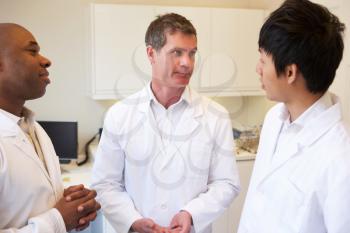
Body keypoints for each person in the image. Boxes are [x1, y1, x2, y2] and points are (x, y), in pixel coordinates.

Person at [92, 13, 240, 233]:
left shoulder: (215, 115)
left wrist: (191, 214)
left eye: (192, 54)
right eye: (176, 53)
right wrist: (132, 221)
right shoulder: (119, 115)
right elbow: (105, 184)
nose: (186, 63)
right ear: (151, 53)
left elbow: (226, 183)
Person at [238, 0, 350, 232]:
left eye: (263, 60)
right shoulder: (273, 118)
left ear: (290, 72)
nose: (257, 69)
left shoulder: (340, 159)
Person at [0, 23, 101, 232]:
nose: (46, 61)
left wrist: (70, 202)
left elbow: (26, 203)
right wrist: (58, 219)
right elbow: (54, 220)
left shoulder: (33, 128)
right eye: (32, 51)